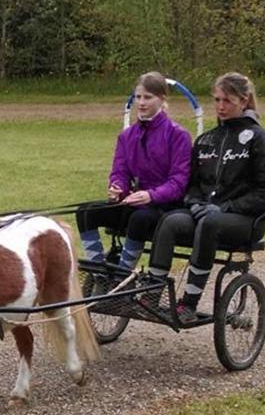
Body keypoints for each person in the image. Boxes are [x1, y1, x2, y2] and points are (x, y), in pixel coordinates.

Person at [139, 72, 265, 321]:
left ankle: (188, 304)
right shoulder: (206, 140)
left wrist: (226, 207)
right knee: (171, 221)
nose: (220, 107)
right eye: (217, 100)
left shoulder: (261, 139)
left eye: (227, 101)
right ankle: (151, 295)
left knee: (210, 222)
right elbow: (192, 185)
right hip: (205, 214)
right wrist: (194, 203)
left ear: (244, 101)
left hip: (245, 221)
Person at [76, 71, 192, 273]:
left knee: (139, 218)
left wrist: (150, 195)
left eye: (148, 97)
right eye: (138, 97)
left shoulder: (178, 135)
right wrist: (117, 188)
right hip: (134, 202)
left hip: (165, 207)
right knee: (85, 212)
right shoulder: (126, 136)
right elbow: (119, 172)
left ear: (162, 99)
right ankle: (99, 272)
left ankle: (122, 276)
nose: (142, 103)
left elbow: (179, 182)